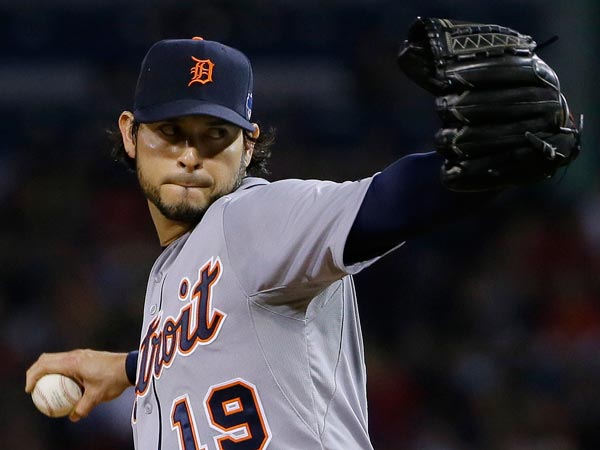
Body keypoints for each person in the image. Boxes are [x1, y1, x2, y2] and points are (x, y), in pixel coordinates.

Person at [23, 36, 560, 449]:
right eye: (170, 131)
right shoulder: (170, 272)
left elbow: (382, 205)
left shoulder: (251, 218)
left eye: (215, 135)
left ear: (248, 145)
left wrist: (464, 165)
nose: (189, 155)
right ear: (130, 133)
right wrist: (126, 369)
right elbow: (221, 342)